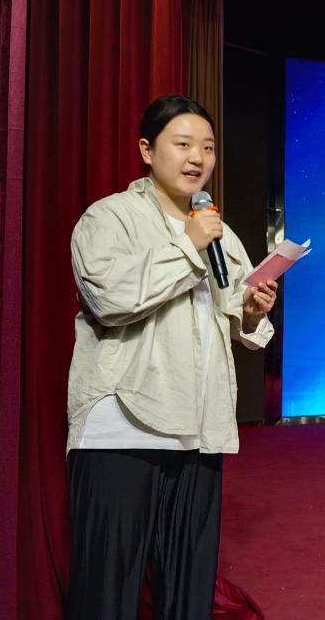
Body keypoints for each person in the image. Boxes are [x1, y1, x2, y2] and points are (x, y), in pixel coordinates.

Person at [65, 94, 277, 619]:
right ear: (147, 150)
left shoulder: (217, 229)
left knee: (189, 590)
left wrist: (251, 310)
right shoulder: (110, 217)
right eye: (183, 144)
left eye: (208, 147)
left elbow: (235, 319)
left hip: (199, 426)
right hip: (123, 426)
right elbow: (110, 299)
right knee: (108, 589)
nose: (197, 158)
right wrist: (188, 245)